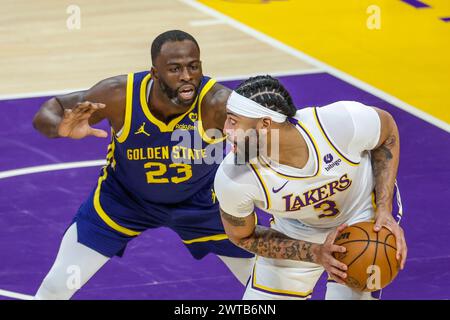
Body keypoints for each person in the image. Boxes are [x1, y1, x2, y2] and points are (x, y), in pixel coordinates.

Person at [31, 30, 255, 299]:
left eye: (193, 66)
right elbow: (48, 111)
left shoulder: (217, 103)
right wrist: (61, 128)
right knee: (56, 286)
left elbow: (262, 150)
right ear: (154, 73)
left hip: (201, 203)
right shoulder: (118, 95)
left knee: (264, 282)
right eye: (175, 69)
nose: (187, 76)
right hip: (123, 200)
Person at [214, 75, 407, 300]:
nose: (224, 130)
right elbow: (241, 236)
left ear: (265, 124)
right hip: (295, 233)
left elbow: (387, 131)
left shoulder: (338, 124)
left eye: (233, 121)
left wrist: (384, 208)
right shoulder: (233, 177)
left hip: (360, 221)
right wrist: (314, 252)